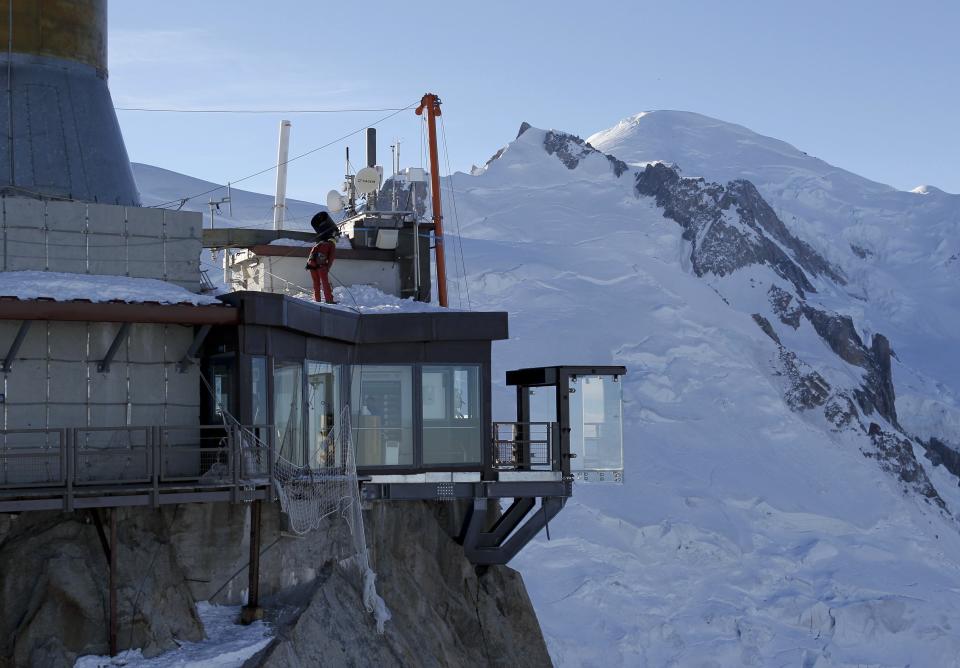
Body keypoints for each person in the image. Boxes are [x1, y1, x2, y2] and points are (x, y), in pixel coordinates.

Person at [306, 212, 339, 303]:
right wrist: (327, 268)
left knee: (316, 283)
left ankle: (317, 300)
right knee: (325, 283)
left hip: (311, 265)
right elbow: (331, 258)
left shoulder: (319, 244)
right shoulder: (331, 245)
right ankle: (329, 300)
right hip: (321, 266)